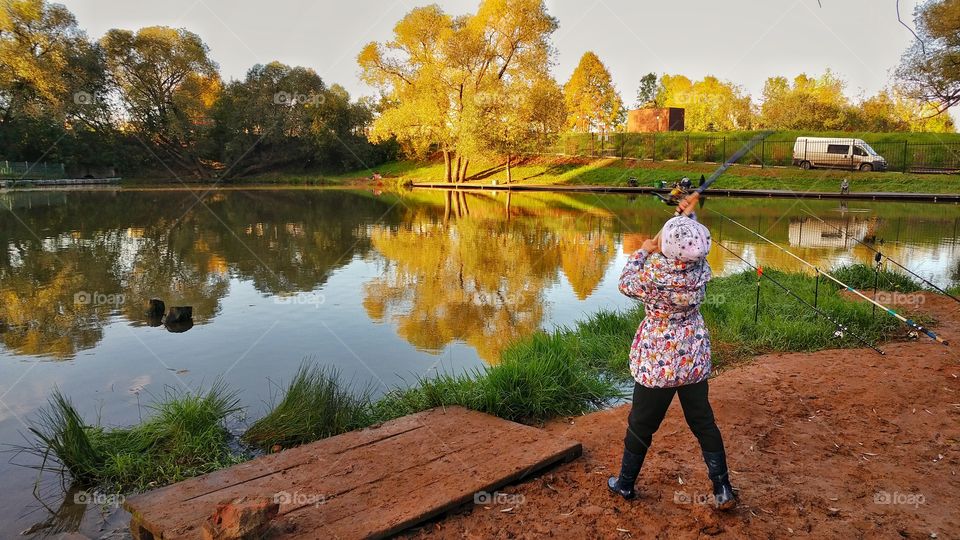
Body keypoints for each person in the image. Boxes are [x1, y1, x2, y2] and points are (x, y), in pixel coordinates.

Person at [607, 193, 736, 510]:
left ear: (665, 246)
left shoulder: (652, 274)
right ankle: (723, 490)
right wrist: (686, 218)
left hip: (658, 360)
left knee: (641, 424)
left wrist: (643, 250)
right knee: (703, 422)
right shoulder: (700, 270)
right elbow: (690, 245)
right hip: (692, 356)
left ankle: (625, 484)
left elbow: (625, 283)